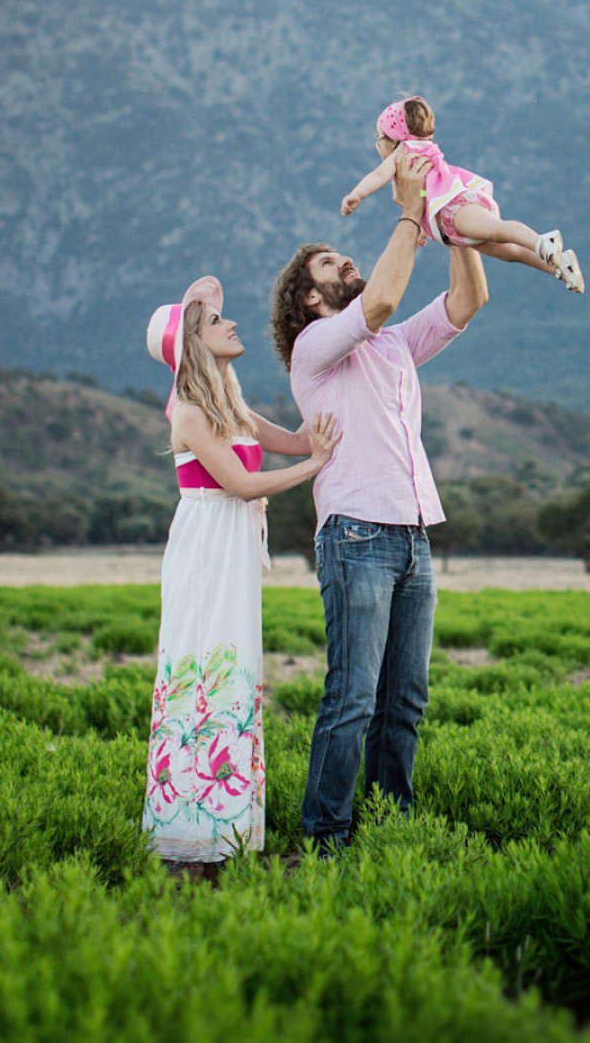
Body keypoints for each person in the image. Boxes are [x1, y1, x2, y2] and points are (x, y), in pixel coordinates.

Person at [271, 153, 489, 851]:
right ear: (309, 299)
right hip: (356, 537)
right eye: (331, 266)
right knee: (352, 699)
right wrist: (405, 211)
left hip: (414, 539)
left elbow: (466, 303)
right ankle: (325, 839)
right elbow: (385, 299)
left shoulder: (391, 346)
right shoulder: (315, 348)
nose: (345, 266)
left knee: (405, 704)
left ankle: (390, 832)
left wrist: (453, 229)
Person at [143, 274, 340, 875]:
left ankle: (223, 828)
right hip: (207, 548)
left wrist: (331, 366)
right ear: (195, 345)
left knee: (232, 668)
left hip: (229, 548)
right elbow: (243, 484)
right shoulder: (192, 413)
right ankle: (189, 833)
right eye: (214, 322)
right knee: (205, 667)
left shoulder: (229, 403)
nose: (231, 324)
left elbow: (292, 438)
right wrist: (315, 466)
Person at [341, 94, 584, 292]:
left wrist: (356, 195)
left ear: (393, 139)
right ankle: (559, 266)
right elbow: (427, 194)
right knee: (509, 253)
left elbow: (376, 177)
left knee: (497, 231)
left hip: (456, 210)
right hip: (452, 225)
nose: (377, 144)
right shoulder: (416, 156)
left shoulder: (403, 153)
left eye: (379, 137)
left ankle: (542, 241)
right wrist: (422, 227)